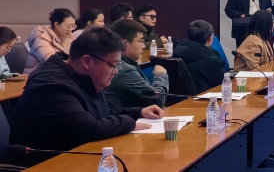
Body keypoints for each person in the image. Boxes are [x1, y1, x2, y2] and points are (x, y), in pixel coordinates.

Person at [9, 27, 164, 155]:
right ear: (87, 61)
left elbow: (101, 114)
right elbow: (89, 128)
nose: (115, 71)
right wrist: (131, 123)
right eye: (113, 65)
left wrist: (138, 112)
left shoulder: (84, 77)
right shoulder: (52, 85)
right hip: (44, 164)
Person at [106, 18, 169, 110]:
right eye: (141, 41)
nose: (143, 46)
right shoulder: (124, 70)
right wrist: (161, 75)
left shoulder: (124, 65)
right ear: (124, 44)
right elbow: (157, 101)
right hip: (133, 118)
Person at [172, 20, 225, 93]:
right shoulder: (212, 60)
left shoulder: (176, 54)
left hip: (180, 97)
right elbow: (220, 86)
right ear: (210, 38)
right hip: (206, 97)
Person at [24, 8, 76, 74]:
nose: (71, 29)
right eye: (68, 26)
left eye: (73, 26)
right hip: (38, 76)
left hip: (57, 73)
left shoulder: (68, 36)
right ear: (56, 24)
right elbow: (51, 61)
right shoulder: (41, 37)